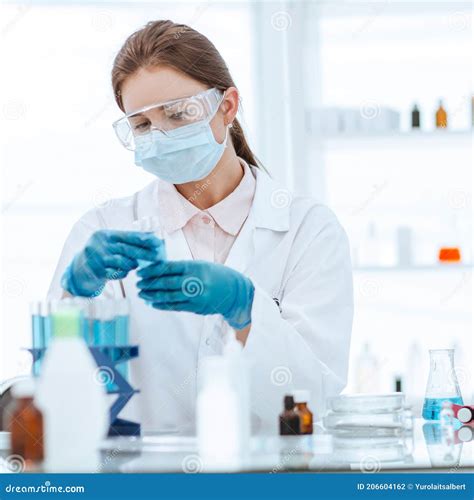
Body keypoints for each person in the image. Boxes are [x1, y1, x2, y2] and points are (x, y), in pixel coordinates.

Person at [48, 20, 353, 434]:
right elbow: (57, 394)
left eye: (178, 113)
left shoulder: (307, 229)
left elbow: (313, 400)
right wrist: (75, 294)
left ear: (227, 106)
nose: (160, 134)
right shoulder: (105, 229)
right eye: (142, 124)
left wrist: (248, 313)